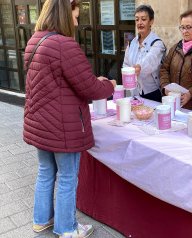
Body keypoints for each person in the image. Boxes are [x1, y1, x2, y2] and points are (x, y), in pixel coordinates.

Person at [23, 0, 116, 237]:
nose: (76, 22)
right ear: (64, 16)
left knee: (45, 171)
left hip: (40, 123)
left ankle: (40, 220)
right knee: (66, 177)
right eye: (74, 16)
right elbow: (90, 89)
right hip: (63, 126)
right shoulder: (65, 45)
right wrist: (109, 84)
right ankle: (66, 228)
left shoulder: (35, 40)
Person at [159, 10, 192, 111]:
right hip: (173, 104)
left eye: (188, 27)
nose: (184, 31)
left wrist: (191, 93)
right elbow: (164, 69)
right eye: (182, 27)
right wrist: (165, 87)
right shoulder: (176, 48)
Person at [123, 5, 166, 102]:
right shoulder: (132, 43)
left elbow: (151, 60)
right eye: (137, 20)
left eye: (143, 19)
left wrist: (139, 67)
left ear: (151, 21)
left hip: (153, 93)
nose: (140, 23)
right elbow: (126, 63)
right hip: (135, 92)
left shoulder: (157, 43)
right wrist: (128, 73)